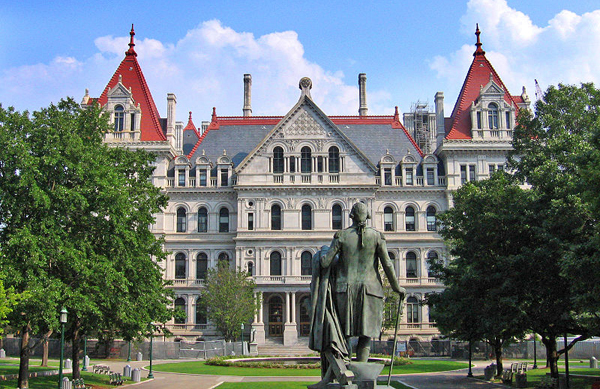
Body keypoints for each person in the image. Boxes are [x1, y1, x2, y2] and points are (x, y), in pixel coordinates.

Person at [308, 202, 405, 388]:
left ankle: (340, 377)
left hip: (345, 290)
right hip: (371, 291)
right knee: (365, 336)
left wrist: (322, 252)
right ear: (367, 216)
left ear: (351, 216)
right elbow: (388, 265)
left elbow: (326, 262)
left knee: (341, 337)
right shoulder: (377, 237)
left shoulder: (342, 236)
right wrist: (396, 287)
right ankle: (361, 379)